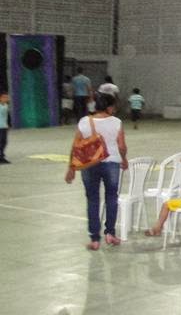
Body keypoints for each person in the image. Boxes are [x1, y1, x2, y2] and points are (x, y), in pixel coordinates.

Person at [64, 93, 127, 249]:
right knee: (112, 198)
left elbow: (76, 146)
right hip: (111, 163)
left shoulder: (85, 121)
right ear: (109, 107)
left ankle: (94, 239)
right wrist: (124, 159)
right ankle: (110, 234)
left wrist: (71, 168)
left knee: (92, 199)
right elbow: (121, 146)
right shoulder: (116, 122)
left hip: (89, 164)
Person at [0, 91, 9, 164]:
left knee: (4, 142)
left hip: (4, 126)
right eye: (4, 97)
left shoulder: (5, 105)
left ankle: (2, 156)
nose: (6, 98)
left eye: (7, 97)